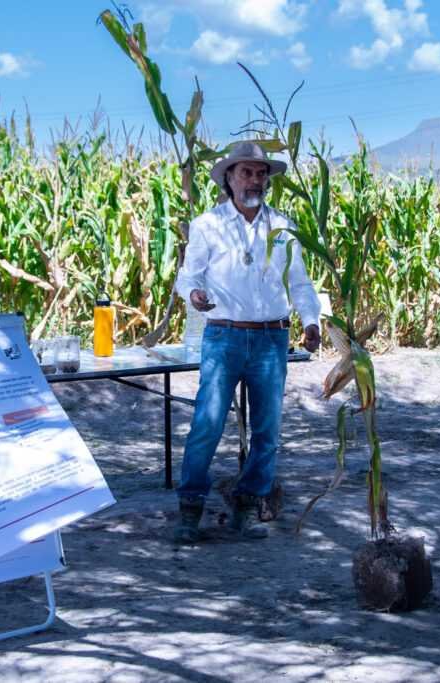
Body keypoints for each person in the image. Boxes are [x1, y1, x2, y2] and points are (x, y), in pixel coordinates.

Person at [172, 141, 321, 543]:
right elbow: (188, 277)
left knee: (267, 430)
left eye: (261, 173)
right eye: (246, 172)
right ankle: (190, 510)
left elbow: (300, 282)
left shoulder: (283, 226)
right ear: (228, 178)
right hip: (224, 336)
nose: (254, 180)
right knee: (207, 423)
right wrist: (194, 295)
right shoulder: (208, 225)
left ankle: (245, 507)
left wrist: (310, 321)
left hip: (272, 338)